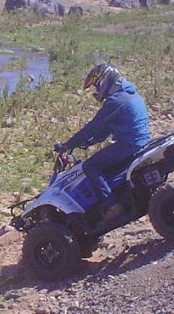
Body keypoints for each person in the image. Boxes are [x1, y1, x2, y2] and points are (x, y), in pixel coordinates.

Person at [54, 63, 151, 213]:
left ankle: (112, 206)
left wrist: (68, 144)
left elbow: (92, 127)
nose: (98, 91)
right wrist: (89, 142)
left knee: (90, 166)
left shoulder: (115, 101)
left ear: (104, 80)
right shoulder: (129, 93)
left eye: (97, 86)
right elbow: (104, 129)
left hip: (129, 143)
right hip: (139, 140)